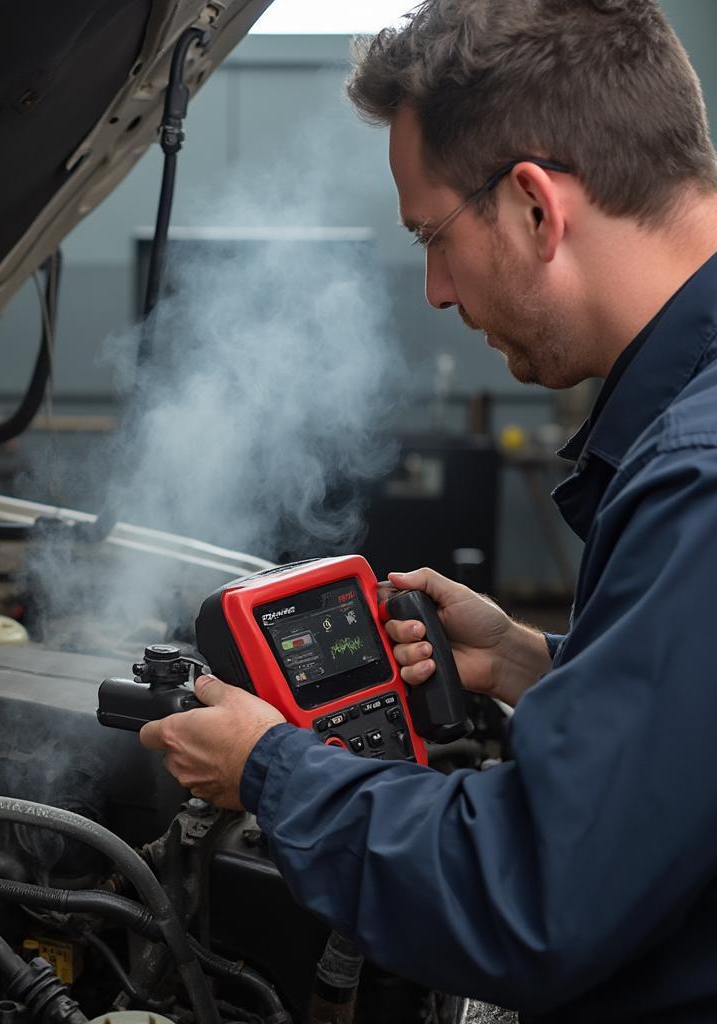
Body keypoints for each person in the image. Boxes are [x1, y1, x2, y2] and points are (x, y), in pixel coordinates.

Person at [139, 1, 717, 1020]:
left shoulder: (696, 477)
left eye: (433, 237)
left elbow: (530, 897)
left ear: (535, 207)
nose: (436, 290)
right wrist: (540, 662)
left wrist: (267, 768)